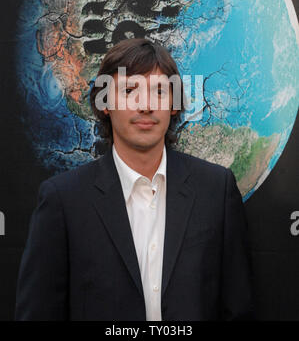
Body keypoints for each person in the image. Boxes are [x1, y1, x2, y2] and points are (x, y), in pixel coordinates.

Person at [15, 38, 254, 321]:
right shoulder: (63, 200)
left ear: (174, 106)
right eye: (129, 90)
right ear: (105, 103)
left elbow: (238, 309)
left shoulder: (216, 189)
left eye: (160, 92)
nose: (146, 106)